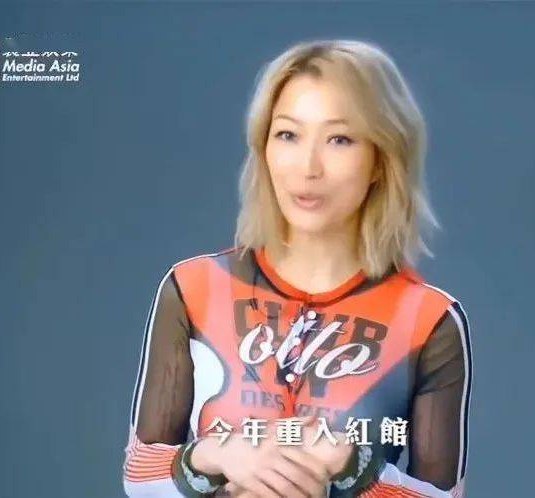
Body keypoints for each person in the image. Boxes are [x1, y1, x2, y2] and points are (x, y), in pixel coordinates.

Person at [122, 39, 472, 498]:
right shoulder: (193, 288)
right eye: (288, 134)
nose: (308, 167)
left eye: (340, 139)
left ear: (380, 160)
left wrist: (350, 466)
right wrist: (213, 456)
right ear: (264, 148)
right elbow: (138, 475)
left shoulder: (430, 320)